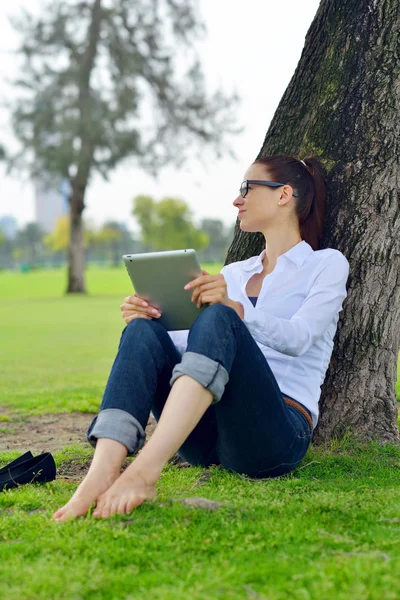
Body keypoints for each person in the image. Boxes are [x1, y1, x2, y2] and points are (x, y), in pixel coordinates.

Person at [52, 154, 350, 522]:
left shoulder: (326, 264)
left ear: (283, 194)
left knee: (221, 315)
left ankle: (143, 472)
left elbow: (301, 338)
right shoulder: (235, 273)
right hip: (207, 434)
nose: (236, 200)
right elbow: (198, 351)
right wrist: (151, 318)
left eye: (247, 188)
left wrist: (236, 310)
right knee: (144, 331)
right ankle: (101, 473)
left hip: (275, 434)